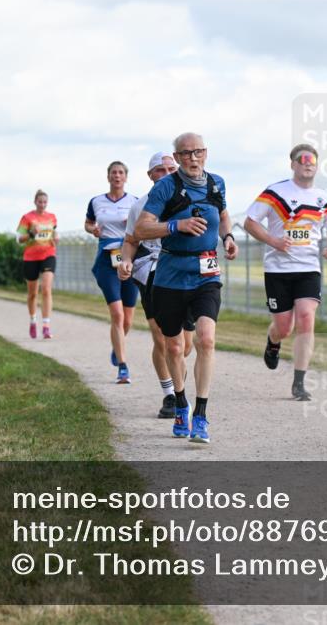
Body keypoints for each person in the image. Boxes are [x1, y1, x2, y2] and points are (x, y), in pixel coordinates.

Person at [133, 133, 238, 443]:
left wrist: (228, 237)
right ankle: (180, 402)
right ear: (176, 157)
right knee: (175, 347)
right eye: (187, 153)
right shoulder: (166, 187)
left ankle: (201, 415)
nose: (194, 158)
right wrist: (176, 226)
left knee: (206, 339)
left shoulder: (216, 183)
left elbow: (221, 213)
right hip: (170, 275)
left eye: (199, 152)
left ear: (206, 153)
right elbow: (141, 228)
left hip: (206, 272)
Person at [244, 143, 327, 400]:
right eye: (303, 159)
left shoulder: (324, 198)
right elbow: (250, 222)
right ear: (293, 164)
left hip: (308, 268)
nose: (308, 163)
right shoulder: (276, 193)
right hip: (277, 269)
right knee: (284, 327)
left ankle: (299, 382)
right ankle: (273, 341)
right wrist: (273, 241)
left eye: (312, 160)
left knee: (307, 317)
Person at [119, 152, 195, 419]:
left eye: (171, 168)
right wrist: (125, 261)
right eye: (160, 170)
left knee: (185, 345)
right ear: (150, 176)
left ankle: (178, 386)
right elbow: (129, 241)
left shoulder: (190, 199)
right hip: (151, 271)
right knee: (162, 338)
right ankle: (171, 395)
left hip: (184, 272)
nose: (167, 173)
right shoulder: (140, 206)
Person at [85, 161, 141, 383]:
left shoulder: (135, 202)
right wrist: (93, 230)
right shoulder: (97, 201)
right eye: (113, 173)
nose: (117, 176)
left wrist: (133, 226)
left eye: (120, 173)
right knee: (117, 314)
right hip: (107, 261)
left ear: (126, 177)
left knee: (127, 319)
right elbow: (88, 223)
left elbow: (145, 226)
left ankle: (116, 348)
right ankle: (123, 366)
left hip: (129, 260)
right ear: (108, 177)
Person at [18, 189, 58, 339]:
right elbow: (19, 239)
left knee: (46, 289)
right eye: (40, 202)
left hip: (48, 254)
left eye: (45, 202)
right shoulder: (27, 217)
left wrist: (56, 237)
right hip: (31, 257)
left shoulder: (52, 217)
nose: (42, 205)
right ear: (35, 202)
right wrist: (30, 234)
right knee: (32, 293)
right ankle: (33, 320)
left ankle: (46, 326)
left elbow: (53, 233)